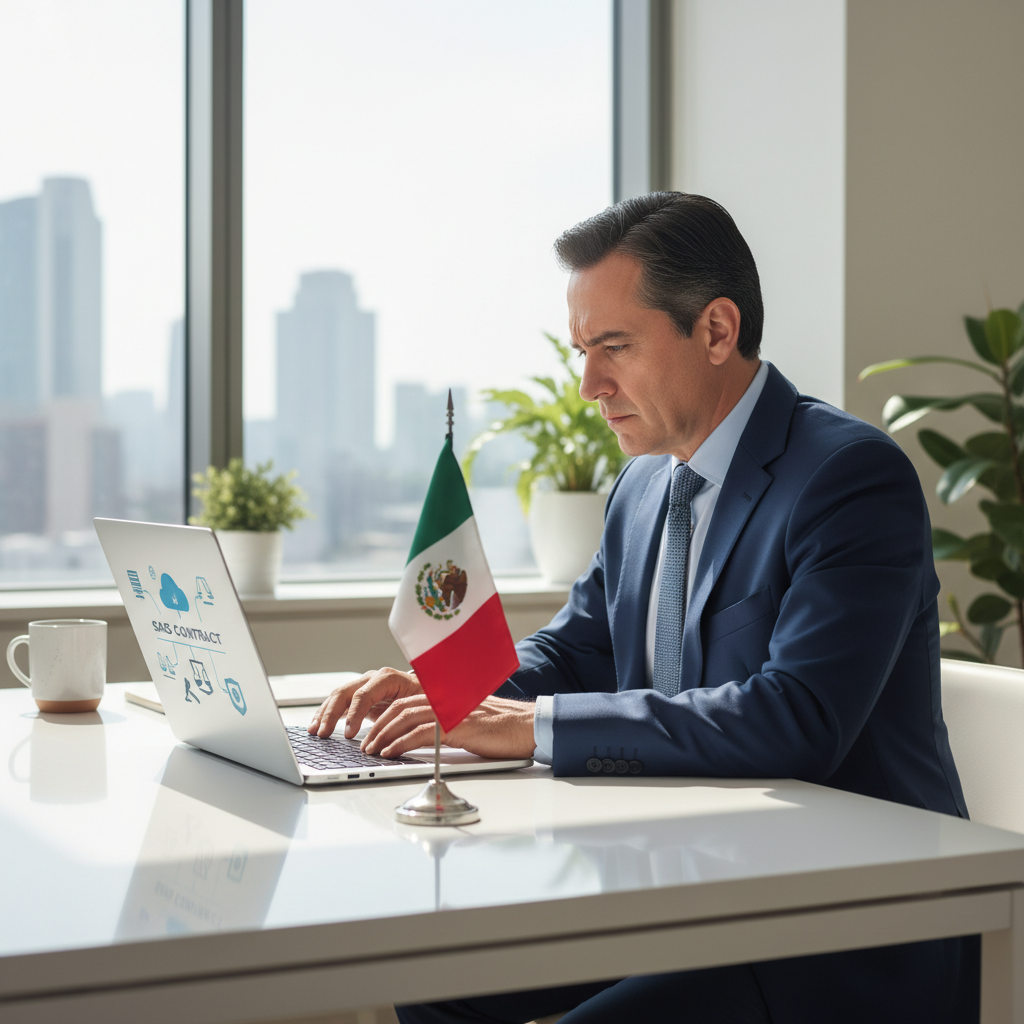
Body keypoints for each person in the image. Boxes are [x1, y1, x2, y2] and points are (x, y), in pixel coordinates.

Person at [309, 193, 976, 1023]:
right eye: (583, 351)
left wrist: (532, 726)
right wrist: (444, 694)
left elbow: (799, 716)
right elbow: (576, 649)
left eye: (613, 347)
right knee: (435, 983)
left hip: (830, 927)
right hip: (680, 885)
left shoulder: (847, 478)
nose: (588, 384)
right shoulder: (643, 484)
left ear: (717, 330)